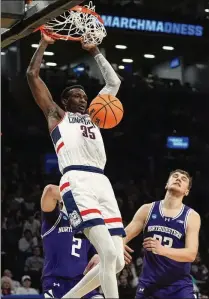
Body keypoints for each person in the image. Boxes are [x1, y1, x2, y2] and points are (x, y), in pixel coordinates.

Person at [27, 32, 125, 299]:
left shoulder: (96, 115)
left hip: (102, 181)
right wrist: (44, 43)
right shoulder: (57, 116)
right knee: (106, 253)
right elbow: (32, 75)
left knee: (118, 262)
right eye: (77, 96)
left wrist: (95, 51)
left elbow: (114, 81)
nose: (83, 99)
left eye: (84, 96)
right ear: (65, 101)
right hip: (77, 179)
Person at [124, 169, 201, 299]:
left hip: (179, 286)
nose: (178, 179)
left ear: (186, 191)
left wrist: (162, 250)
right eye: (175, 176)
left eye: (183, 179)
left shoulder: (191, 216)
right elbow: (123, 236)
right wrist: (118, 244)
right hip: (149, 285)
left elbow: (191, 254)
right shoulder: (147, 209)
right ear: (166, 184)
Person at [41, 184, 103, 299]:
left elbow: (98, 253)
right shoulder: (54, 218)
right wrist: (78, 197)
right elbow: (50, 190)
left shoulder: (88, 225)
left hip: (82, 282)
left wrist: (100, 256)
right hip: (57, 281)